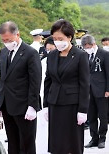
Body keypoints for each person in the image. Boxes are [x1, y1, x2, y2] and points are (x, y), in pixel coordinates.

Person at [43, 19, 90, 154]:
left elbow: (85, 83)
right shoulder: (52, 55)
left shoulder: (80, 55)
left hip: (72, 105)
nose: (57, 41)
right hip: (55, 102)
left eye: (60, 38)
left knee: (72, 142)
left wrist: (83, 110)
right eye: (55, 38)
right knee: (56, 141)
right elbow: (48, 80)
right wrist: (45, 104)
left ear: (69, 37)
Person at [0, 21, 41, 154]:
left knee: (26, 142)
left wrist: (32, 105)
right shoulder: (3, 52)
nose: (6, 42)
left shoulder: (30, 53)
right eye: (3, 40)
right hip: (7, 105)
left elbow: (35, 81)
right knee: (12, 141)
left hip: (24, 105)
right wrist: (0, 102)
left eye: (8, 39)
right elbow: (1, 78)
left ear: (17, 35)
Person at [82, 34, 109, 149]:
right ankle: (94, 138)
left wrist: (108, 89)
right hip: (88, 90)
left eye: (88, 46)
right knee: (91, 116)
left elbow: (108, 73)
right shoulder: (83, 55)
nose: (87, 49)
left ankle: (102, 138)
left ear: (93, 44)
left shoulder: (105, 54)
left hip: (102, 90)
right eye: (85, 47)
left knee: (103, 116)